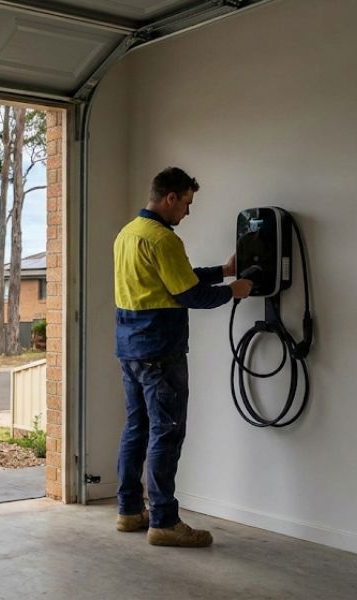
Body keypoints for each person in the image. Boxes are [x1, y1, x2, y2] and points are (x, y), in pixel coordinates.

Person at [113, 167, 252, 547]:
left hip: (130, 348)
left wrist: (222, 271)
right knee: (167, 433)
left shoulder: (129, 234)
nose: (188, 213)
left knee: (136, 429)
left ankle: (128, 512)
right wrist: (233, 290)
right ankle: (164, 521)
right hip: (161, 349)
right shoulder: (163, 239)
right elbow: (188, 294)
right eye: (187, 203)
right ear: (171, 198)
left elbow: (177, 278)